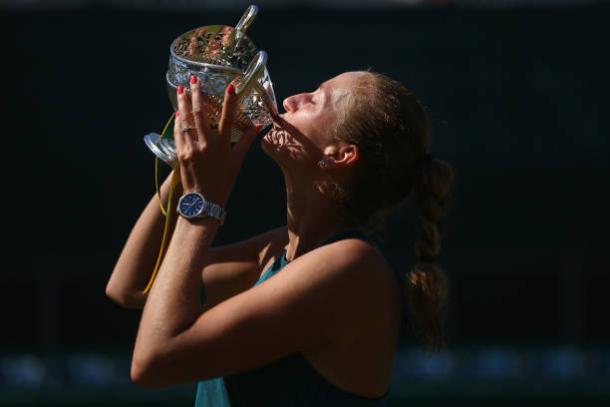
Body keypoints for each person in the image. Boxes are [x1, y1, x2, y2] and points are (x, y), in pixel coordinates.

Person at [106, 70, 454, 405]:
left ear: (340, 155)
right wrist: (188, 167)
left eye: (315, 100)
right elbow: (134, 286)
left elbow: (155, 361)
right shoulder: (276, 251)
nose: (290, 100)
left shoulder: (351, 266)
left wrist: (203, 203)